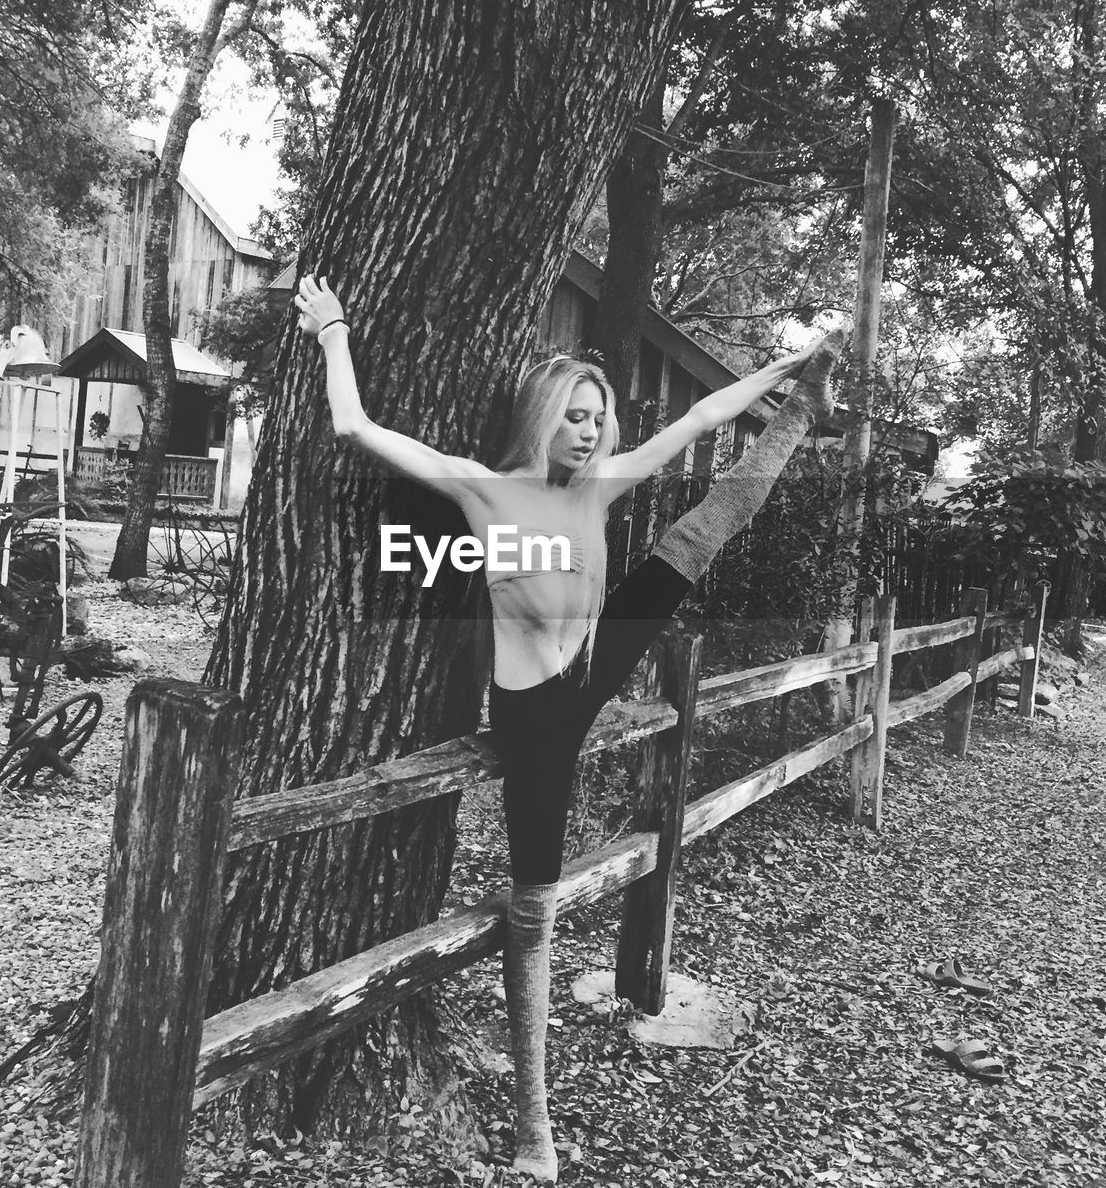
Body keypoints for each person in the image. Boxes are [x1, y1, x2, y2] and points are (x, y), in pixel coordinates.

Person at [296, 275, 833, 1181]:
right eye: (576, 414)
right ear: (543, 412)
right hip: (531, 722)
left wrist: (780, 376)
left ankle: (801, 421)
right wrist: (333, 329)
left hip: (587, 678)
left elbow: (699, 421)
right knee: (532, 908)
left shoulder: (596, 492)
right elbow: (355, 427)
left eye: (599, 416)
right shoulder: (483, 491)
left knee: (702, 534)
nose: (590, 429)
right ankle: (534, 1132)